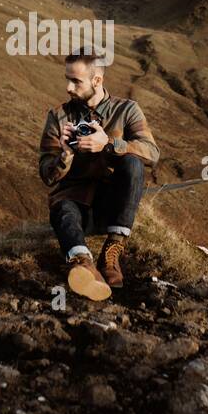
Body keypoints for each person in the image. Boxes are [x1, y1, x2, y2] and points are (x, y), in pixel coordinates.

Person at [37, 51, 160, 301]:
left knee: (133, 164)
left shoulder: (126, 110)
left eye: (76, 81)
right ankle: (84, 266)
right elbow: (47, 176)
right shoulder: (58, 116)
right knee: (62, 209)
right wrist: (65, 154)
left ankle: (112, 251)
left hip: (112, 205)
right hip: (75, 202)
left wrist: (110, 143)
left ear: (97, 80)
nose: (68, 87)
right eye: (67, 79)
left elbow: (152, 153)